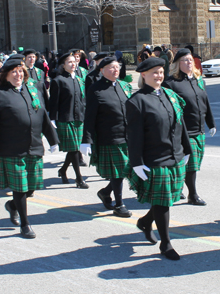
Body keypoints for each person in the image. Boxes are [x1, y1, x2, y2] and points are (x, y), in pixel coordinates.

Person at [0, 58, 59, 238]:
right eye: (14, 72)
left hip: (34, 146)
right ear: (6, 75)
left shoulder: (32, 91)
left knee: (30, 187)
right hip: (12, 149)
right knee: (19, 188)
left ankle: (12, 205)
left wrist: (53, 139)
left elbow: (43, 117)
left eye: (21, 71)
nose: (18, 75)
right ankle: (25, 224)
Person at [126, 57, 192, 260]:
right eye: (154, 72)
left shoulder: (170, 95)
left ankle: (146, 222)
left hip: (176, 155)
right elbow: (134, 136)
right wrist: (137, 162)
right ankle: (166, 243)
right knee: (164, 201)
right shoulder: (136, 101)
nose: (159, 75)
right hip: (155, 159)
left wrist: (187, 149)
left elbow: (181, 124)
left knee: (164, 198)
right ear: (143, 75)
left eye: (161, 71)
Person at [81, 56, 133, 217]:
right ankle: (119, 204)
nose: (115, 70)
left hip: (128, 135)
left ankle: (105, 192)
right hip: (109, 136)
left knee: (125, 170)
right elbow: (90, 116)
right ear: (102, 70)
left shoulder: (124, 86)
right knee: (118, 172)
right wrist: (86, 140)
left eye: (117, 67)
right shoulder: (95, 89)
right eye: (111, 67)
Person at [163, 48, 216, 205]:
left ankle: (177, 187)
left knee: (193, 163)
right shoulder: (171, 83)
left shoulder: (199, 81)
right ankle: (192, 194)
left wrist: (211, 123)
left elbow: (205, 102)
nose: (188, 63)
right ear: (178, 64)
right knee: (190, 165)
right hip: (183, 131)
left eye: (190, 60)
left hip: (199, 130)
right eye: (185, 60)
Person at [49, 53, 88, 188]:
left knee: (74, 149)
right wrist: (52, 119)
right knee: (74, 149)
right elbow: (54, 102)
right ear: (63, 65)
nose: (73, 64)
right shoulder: (58, 81)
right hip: (65, 119)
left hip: (79, 118)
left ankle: (63, 170)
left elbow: (83, 100)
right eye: (69, 62)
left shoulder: (79, 79)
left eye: (74, 61)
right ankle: (79, 178)